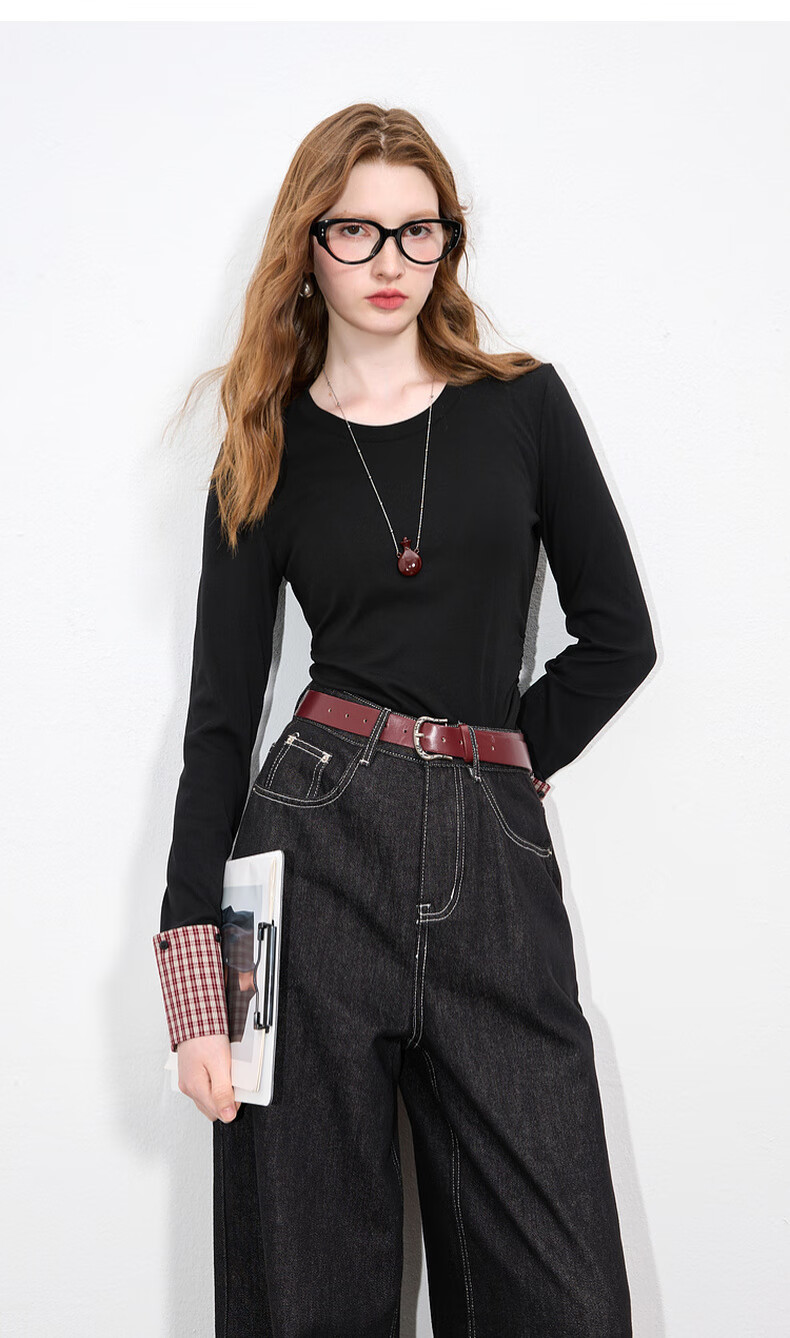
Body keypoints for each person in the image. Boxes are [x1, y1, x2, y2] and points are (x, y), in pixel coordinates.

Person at [152, 102, 656, 1338]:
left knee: (563, 1293)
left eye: (418, 231)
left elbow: (618, 637)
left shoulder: (522, 406)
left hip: (495, 857)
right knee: (306, 1284)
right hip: (315, 849)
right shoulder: (263, 444)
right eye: (357, 231)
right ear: (307, 244)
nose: (390, 261)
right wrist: (193, 975)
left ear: (448, 243)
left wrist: (503, 759)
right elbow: (219, 718)